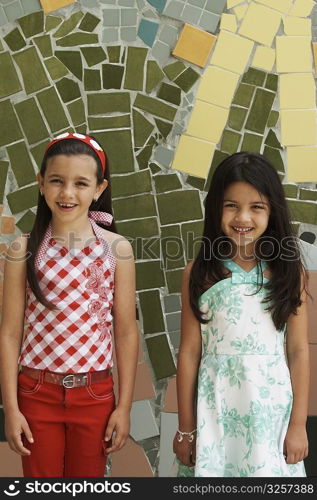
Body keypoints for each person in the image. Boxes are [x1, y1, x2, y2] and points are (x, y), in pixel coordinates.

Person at [0, 132, 139, 477]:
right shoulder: (23, 249)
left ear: (98, 189)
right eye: (57, 181)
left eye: (80, 183)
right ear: (41, 184)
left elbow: (125, 332)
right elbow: (8, 333)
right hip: (35, 393)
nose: (67, 193)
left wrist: (124, 407)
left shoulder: (116, 249)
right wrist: (11, 409)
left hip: (95, 394)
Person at [173, 152, 309, 477]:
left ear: (272, 211)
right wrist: (186, 429)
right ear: (215, 207)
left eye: (256, 207)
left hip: (271, 415)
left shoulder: (289, 273)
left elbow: (298, 350)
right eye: (231, 205)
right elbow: (190, 352)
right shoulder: (200, 273)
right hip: (215, 410)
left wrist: (299, 424)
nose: (242, 217)